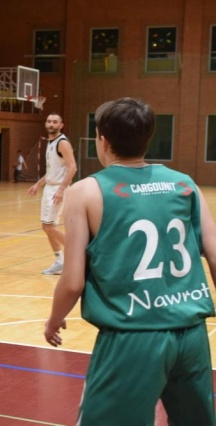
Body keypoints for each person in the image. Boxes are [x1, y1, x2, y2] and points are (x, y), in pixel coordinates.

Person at [44, 97, 216, 425]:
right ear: (148, 137)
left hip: (132, 336)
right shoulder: (186, 184)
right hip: (192, 336)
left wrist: (54, 320)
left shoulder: (84, 192)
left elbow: (73, 280)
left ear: (103, 140)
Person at [27, 113, 77, 275]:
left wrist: (62, 189)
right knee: (47, 227)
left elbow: (73, 167)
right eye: (49, 121)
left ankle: (77, 253)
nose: (51, 124)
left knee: (49, 226)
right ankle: (60, 261)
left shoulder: (62, 142)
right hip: (50, 187)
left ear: (61, 125)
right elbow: (52, 171)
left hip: (57, 189)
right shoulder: (50, 142)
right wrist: (38, 184)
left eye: (55, 122)